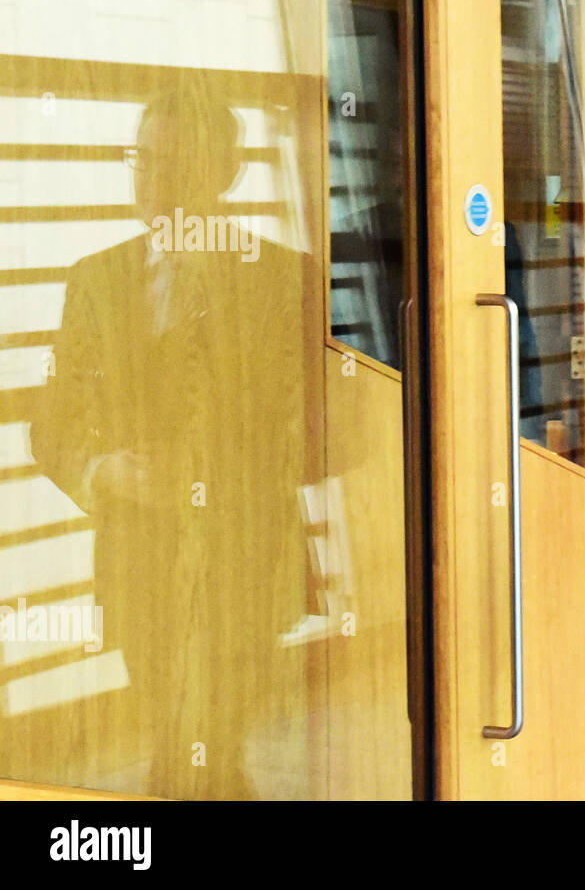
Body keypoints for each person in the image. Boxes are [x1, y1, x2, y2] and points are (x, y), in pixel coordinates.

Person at [29, 83, 323, 798]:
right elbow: (53, 427)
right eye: (145, 161)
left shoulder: (285, 280)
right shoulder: (94, 281)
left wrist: (233, 462)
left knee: (207, 745)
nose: (153, 182)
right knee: (179, 740)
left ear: (224, 173)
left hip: (245, 561)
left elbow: (320, 431)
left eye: (175, 163)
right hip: (140, 562)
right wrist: (106, 471)